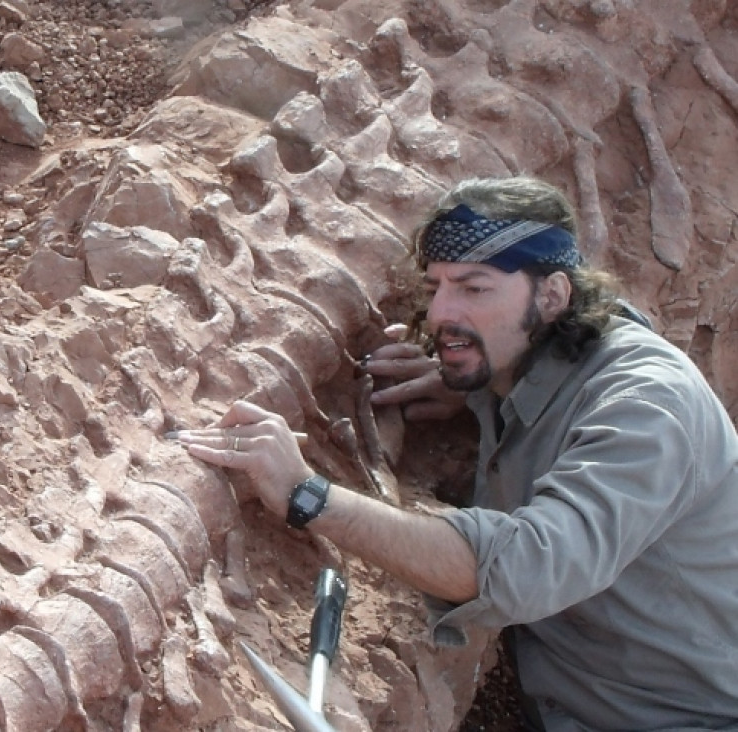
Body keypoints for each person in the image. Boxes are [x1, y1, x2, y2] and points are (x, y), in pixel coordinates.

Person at [175, 176, 738, 731]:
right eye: (435, 287)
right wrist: (474, 385)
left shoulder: (647, 405)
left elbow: (528, 567)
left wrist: (310, 495)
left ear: (552, 295)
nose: (442, 314)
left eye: (473, 288)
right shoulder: (527, 357)